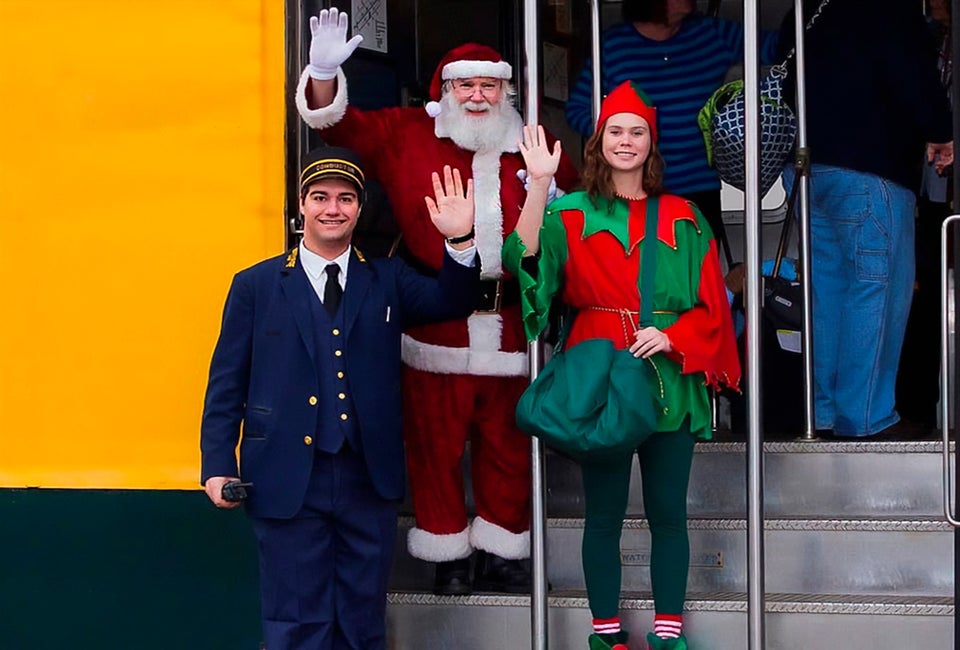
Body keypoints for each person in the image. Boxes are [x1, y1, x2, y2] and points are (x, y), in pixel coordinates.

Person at [294, 8, 579, 594]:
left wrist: (551, 190)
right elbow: (337, 128)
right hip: (432, 316)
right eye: (466, 85)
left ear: (505, 90)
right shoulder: (406, 131)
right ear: (445, 91)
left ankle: (501, 549)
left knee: (507, 440)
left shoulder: (533, 140)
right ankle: (447, 553)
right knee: (434, 443)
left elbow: (572, 215)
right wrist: (323, 72)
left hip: (511, 321)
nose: (478, 97)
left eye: (489, 85)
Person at [199, 145, 480, 649]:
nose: (333, 208)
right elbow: (226, 384)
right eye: (321, 197)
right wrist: (217, 463)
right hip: (283, 476)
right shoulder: (256, 285)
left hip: (366, 478)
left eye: (346, 198)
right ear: (301, 207)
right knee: (294, 619)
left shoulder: (387, 278)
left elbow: (451, 300)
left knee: (361, 618)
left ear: (359, 208)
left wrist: (459, 239)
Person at [503, 82, 740, 650]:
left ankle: (667, 633)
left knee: (668, 514)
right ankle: (606, 634)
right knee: (602, 516)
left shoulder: (685, 217)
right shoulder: (567, 212)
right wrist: (538, 186)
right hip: (600, 380)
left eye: (637, 132)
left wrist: (675, 334)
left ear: (652, 144)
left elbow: (715, 306)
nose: (626, 141)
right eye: (616, 131)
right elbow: (524, 263)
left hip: (670, 381)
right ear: (599, 140)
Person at [777, 0, 953, 440]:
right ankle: (867, 417)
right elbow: (911, 76)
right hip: (873, 171)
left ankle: (825, 414)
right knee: (877, 293)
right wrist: (940, 129)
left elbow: (782, 74)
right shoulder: (890, 9)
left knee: (826, 294)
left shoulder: (808, 8)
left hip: (810, 171)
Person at [565, 0, 779, 265]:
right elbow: (577, 110)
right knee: (642, 279)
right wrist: (623, 139)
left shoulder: (711, 33)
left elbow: (778, 49)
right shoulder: (613, 46)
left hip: (700, 187)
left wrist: (810, 14)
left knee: (697, 280)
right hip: (636, 189)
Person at [897, 0, 953, 434]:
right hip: (925, 197)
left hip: (941, 196)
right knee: (920, 302)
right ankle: (917, 413)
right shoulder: (922, 42)